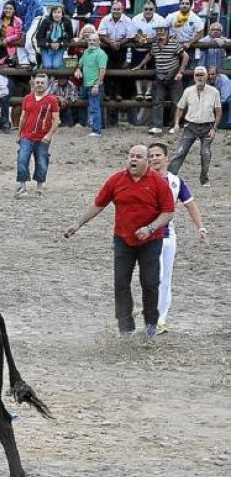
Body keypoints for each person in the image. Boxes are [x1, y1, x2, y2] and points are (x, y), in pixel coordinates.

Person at [65, 145, 175, 337]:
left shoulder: (158, 183)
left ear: (147, 161)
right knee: (121, 282)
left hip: (151, 241)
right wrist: (77, 224)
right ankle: (125, 326)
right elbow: (98, 205)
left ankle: (151, 323)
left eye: (138, 157)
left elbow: (168, 212)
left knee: (149, 282)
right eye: (131, 156)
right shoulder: (116, 180)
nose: (133, 160)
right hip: (123, 239)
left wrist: (150, 228)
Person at [147, 142, 208, 334]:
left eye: (158, 155)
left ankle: (160, 320)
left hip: (168, 236)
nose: (154, 159)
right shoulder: (142, 180)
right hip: (148, 236)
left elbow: (190, 205)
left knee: (165, 279)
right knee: (154, 278)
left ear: (166, 158)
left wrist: (201, 228)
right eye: (151, 156)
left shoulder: (176, 182)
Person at [167, 66, 221, 186]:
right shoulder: (188, 91)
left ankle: (204, 178)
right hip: (190, 125)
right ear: (194, 77)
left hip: (207, 126)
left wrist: (214, 128)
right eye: (197, 75)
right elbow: (180, 107)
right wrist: (176, 123)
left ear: (206, 76)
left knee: (205, 153)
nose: (199, 77)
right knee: (181, 151)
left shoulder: (214, 92)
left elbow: (218, 111)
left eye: (202, 75)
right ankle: (170, 175)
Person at [135, 26, 188, 133]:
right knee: (158, 101)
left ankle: (174, 125)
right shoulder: (154, 44)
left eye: (163, 32)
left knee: (176, 101)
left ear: (167, 33)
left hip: (173, 74)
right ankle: (157, 126)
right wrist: (140, 65)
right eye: (159, 33)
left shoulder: (174, 43)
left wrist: (180, 72)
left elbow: (185, 56)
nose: (161, 34)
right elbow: (149, 55)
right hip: (160, 75)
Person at [14, 73, 60, 198]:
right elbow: (23, 117)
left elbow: (56, 120)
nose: (39, 85)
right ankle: (22, 187)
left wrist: (49, 135)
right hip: (27, 136)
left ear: (47, 84)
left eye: (42, 83)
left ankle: (39, 188)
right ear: (33, 83)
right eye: (37, 82)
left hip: (42, 137)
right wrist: (19, 134)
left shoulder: (52, 100)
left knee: (42, 161)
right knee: (22, 159)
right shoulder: (27, 98)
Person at [75, 33, 108, 136]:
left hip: (94, 84)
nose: (92, 42)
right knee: (81, 102)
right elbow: (80, 63)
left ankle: (96, 130)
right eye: (90, 40)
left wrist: (97, 85)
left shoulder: (101, 54)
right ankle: (84, 123)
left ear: (99, 42)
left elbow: (102, 71)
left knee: (94, 107)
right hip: (85, 84)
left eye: (94, 40)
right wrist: (78, 69)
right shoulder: (86, 52)